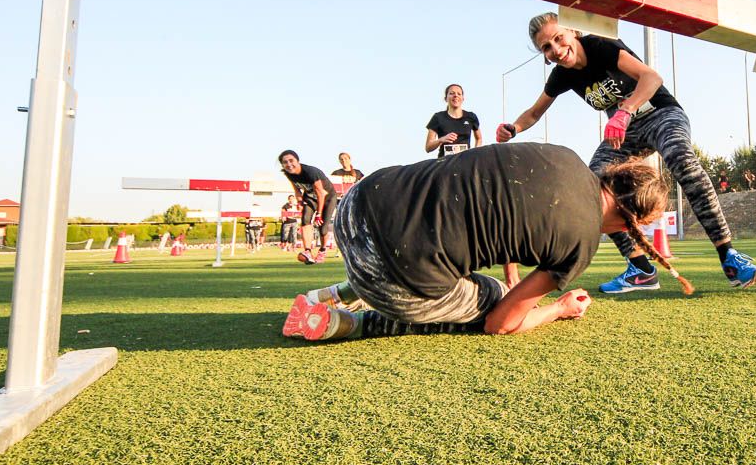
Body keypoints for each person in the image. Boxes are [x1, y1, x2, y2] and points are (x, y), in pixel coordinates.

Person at [282, 143, 690, 341]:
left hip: (357, 207)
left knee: (417, 237)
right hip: (390, 279)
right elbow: (502, 323)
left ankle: (332, 292)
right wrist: (559, 309)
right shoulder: (581, 245)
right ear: (631, 224)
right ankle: (351, 323)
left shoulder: (564, 156)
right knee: (491, 297)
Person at [498, 12, 756, 293]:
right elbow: (534, 112)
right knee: (594, 188)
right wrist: (514, 127)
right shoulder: (562, 75)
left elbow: (651, 77)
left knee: (682, 161)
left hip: (660, 114)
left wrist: (625, 111)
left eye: (558, 38)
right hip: (625, 133)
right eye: (546, 47)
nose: (556, 49)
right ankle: (641, 270)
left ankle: (729, 257)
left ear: (573, 33)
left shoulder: (601, 45)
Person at [278, 150, 338, 264]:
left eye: (291, 160)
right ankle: (307, 251)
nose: (289, 164)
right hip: (310, 196)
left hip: (327, 197)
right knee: (305, 220)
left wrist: (319, 214)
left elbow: (321, 193)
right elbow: (297, 190)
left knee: (323, 228)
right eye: (285, 162)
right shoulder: (288, 173)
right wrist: (300, 202)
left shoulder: (310, 172)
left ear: (297, 160)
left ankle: (322, 250)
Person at [426, 83, 482, 158]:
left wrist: (474, 152)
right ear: (446, 98)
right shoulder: (438, 117)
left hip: (465, 161)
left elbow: (479, 138)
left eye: (459, 94)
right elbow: (428, 147)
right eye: (452, 93)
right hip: (445, 163)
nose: (456, 95)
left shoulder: (471, 116)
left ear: (463, 99)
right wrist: (441, 140)